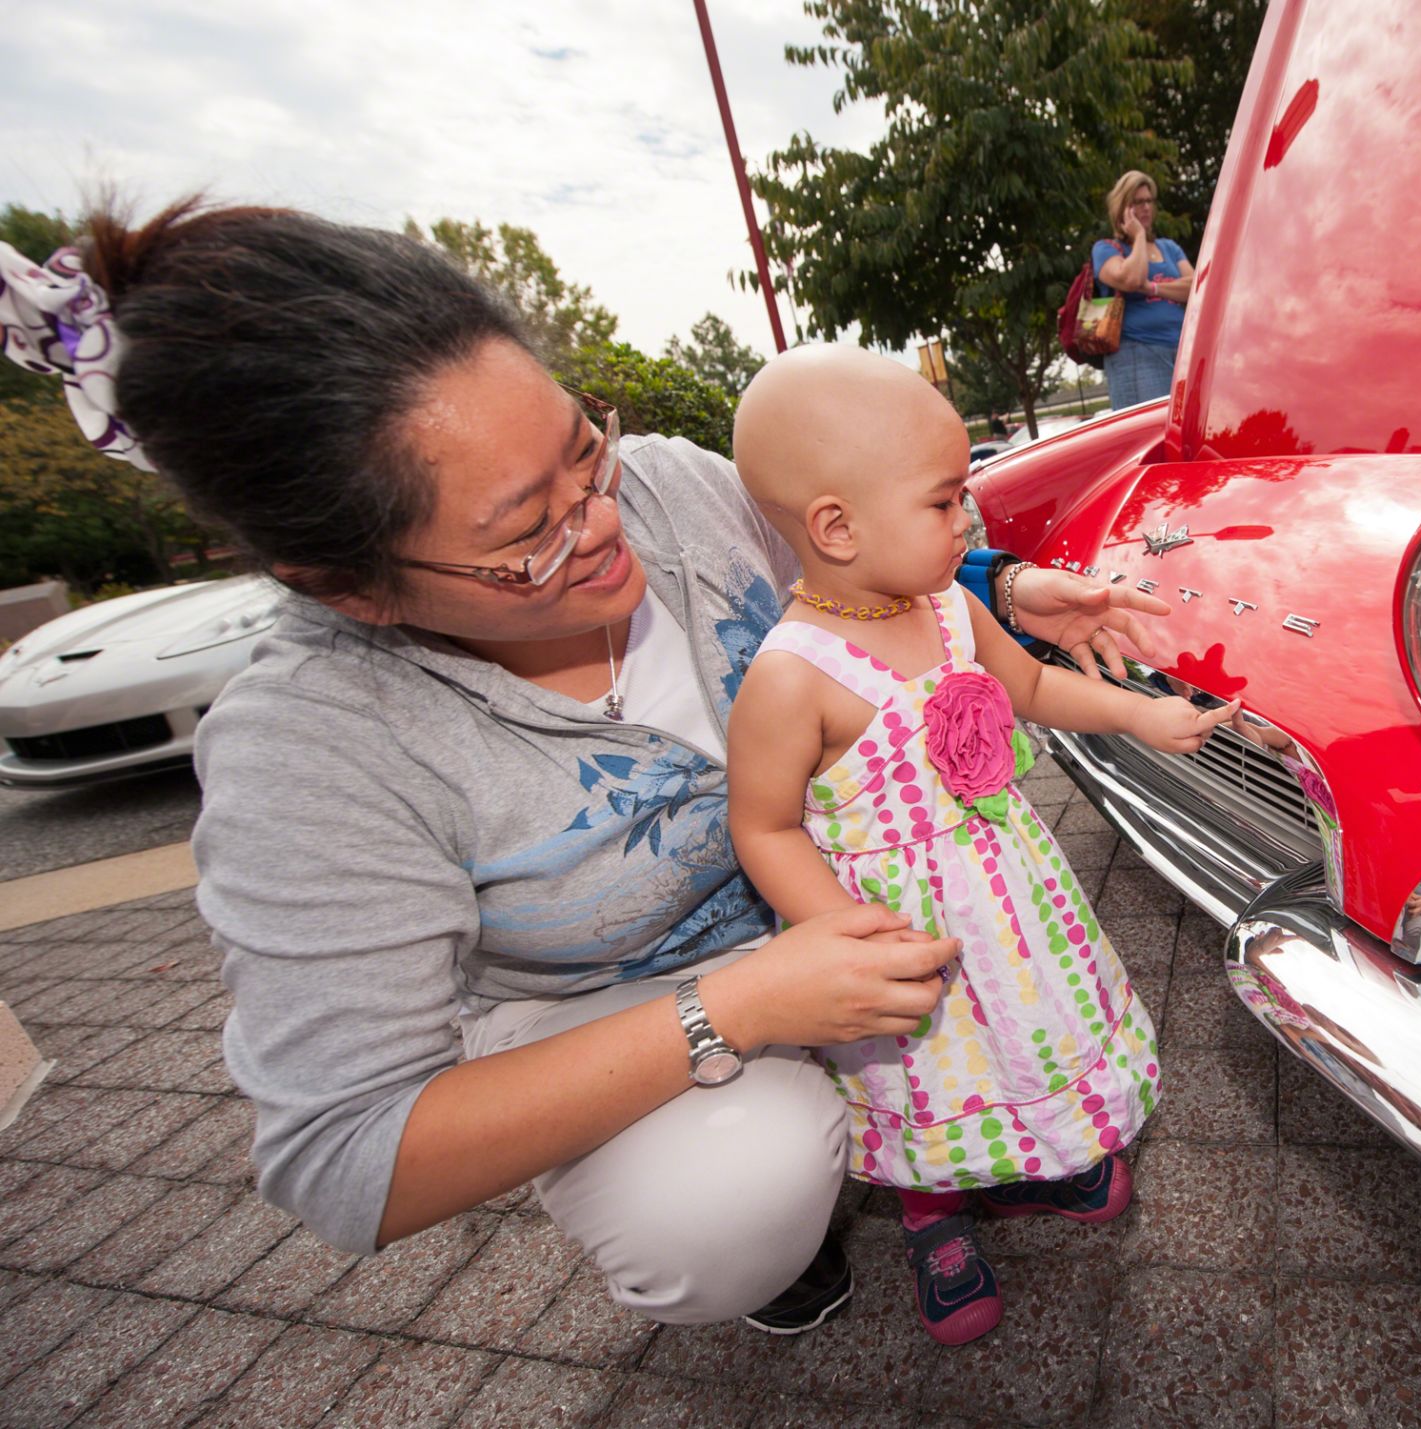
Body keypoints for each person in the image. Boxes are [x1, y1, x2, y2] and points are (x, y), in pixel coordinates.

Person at [0, 203, 1172, 1333]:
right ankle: (788, 1215)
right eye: (524, 537)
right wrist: (739, 1006)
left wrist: (1005, 588)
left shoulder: (670, 488)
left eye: (581, 452)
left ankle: (951, 1143)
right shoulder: (311, 745)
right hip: (615, 998)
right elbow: (345, 1155)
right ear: (346, 588)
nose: (603, 524)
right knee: (724, 1200)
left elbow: (860, 568)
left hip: (863, 906)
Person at [726, 346, 1239, 1344]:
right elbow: (763, 822)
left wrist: (1140, 720)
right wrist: (843, 930)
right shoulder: (792, 678)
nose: (968, 522)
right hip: (898, 933)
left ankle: (1035, 1158)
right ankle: (933, 1214)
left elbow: (1034, 688)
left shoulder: (949, 606)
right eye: (944, 502)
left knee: (1021, 1027)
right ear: (835, 525)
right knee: (926, 1071)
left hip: (1005, 900)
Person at [1092, 170, 1194, 409]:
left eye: (1149, 201)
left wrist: (1153, 287)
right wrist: (1138, 236)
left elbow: (1197, 288)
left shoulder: (1169, 248)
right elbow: (1132, 279)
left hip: (1180, 350)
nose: (1146, 208)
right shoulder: (1106, 249)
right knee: (1152, 431)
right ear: (1123, 208)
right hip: (1138, 353)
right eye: (1138, 202)